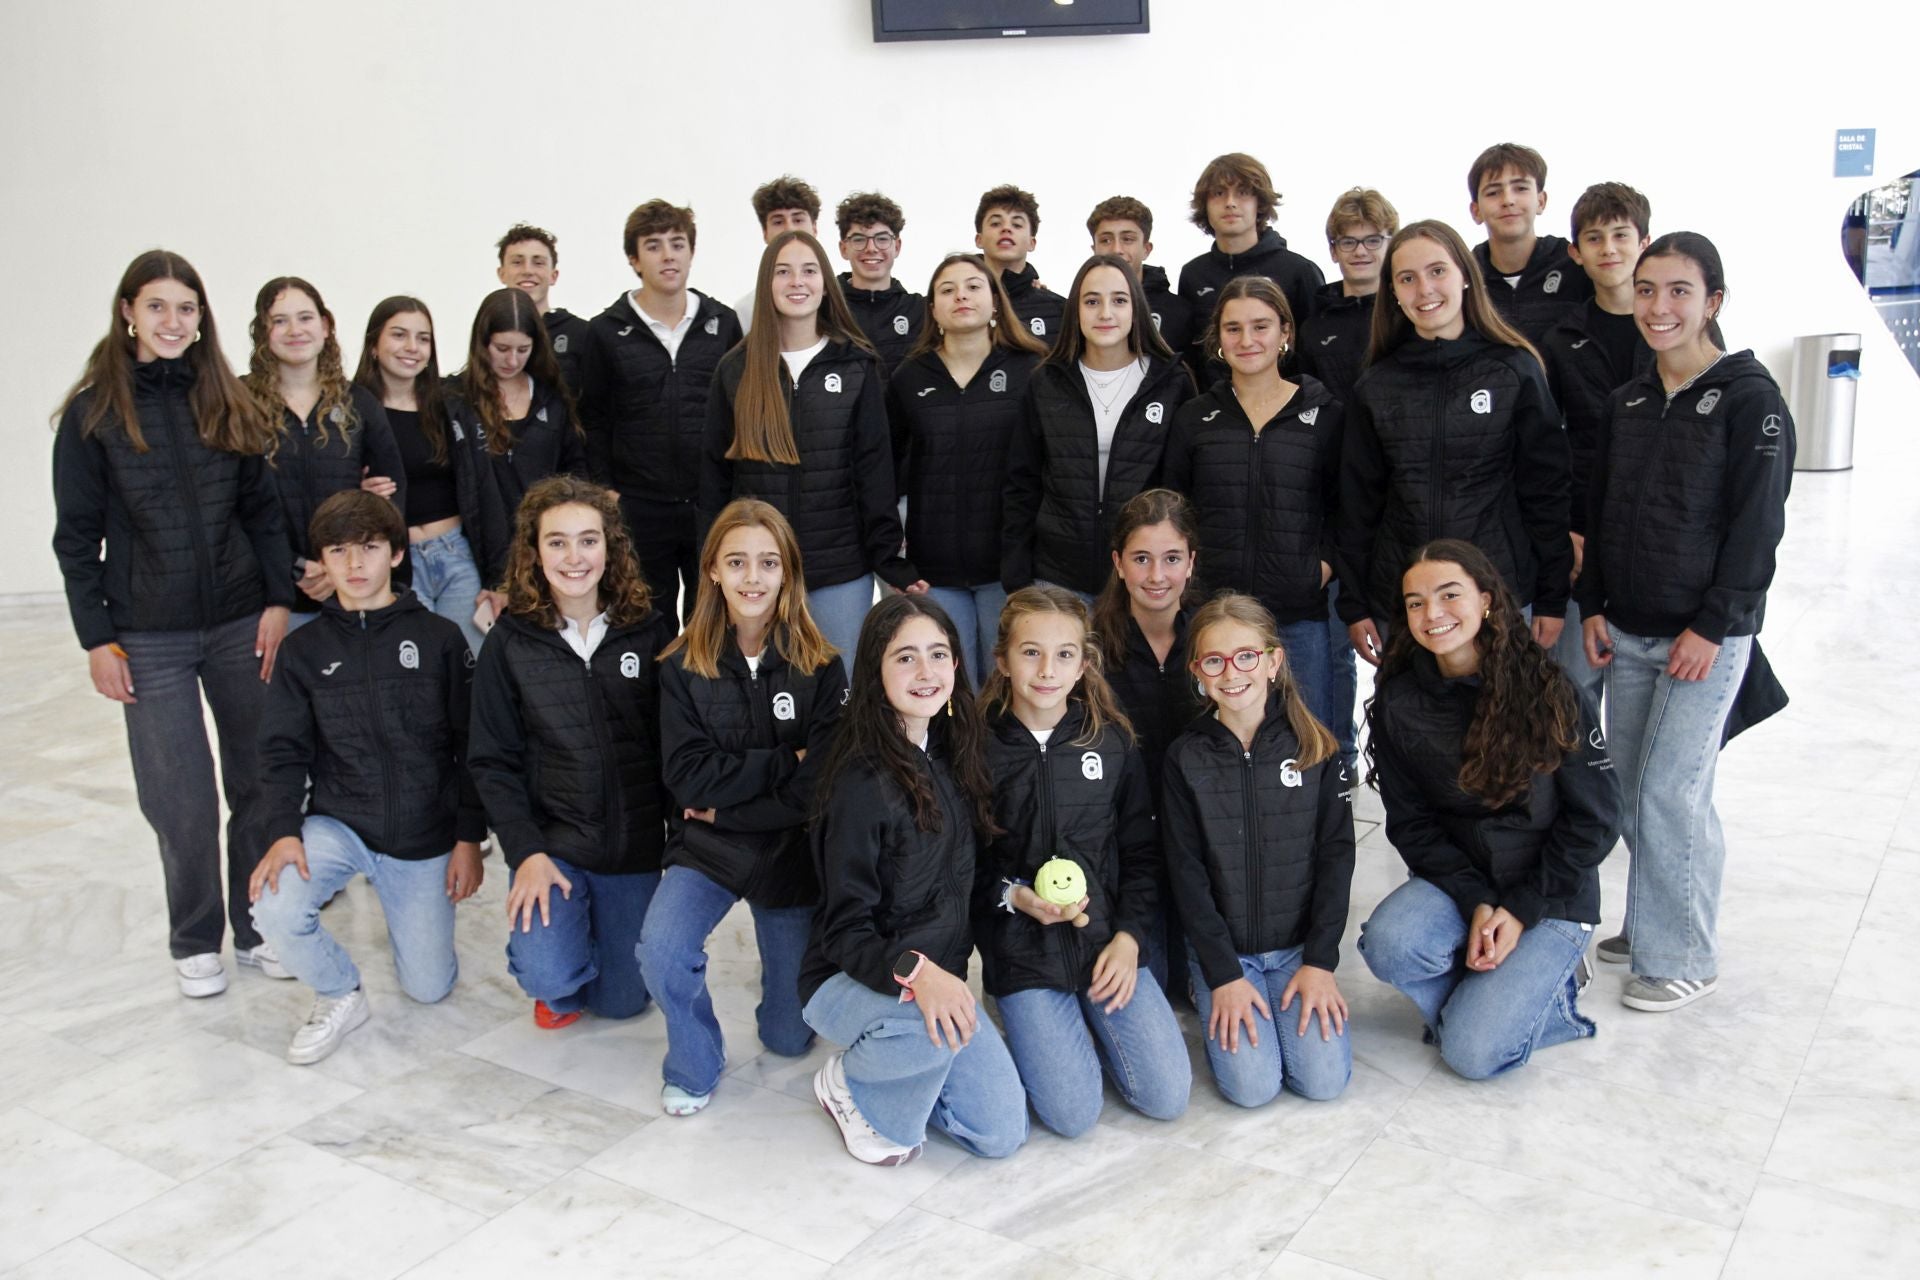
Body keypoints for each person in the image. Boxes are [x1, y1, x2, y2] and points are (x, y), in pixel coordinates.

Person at [51, 249, 295, 997]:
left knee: (258, 782)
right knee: (180, 797)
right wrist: (97, 640)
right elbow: (76, 538)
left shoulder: (231, 402)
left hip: (238, 625)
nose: (171, 321)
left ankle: (257, 927)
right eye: (156, 306)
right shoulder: (94, 413)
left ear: (202, 318)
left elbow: (262, 514)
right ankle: (195, 937)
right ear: (128, 312)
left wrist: (278, 602)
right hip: (147, 637)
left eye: (185, 308)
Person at [1578, 232, 1794, 1012]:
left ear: (1713, 301)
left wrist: (1714, 624)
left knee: (1670, 791)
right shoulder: (1629, 400)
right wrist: (1595, 604)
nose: (1659, 307)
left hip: (1702, 639)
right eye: (1646, 290)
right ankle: (1654, 920)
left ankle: (1684, 956)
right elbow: (1600, 514)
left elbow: (1755, 526)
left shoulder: (1749, 399)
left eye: (1677, 290)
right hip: (1627, 629)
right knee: (1637, 788)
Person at [1359, 540, 1618, 1078]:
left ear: (1487, 601)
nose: (1432, 614)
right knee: (1389, 946)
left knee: (1471, 1055)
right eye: (1415, 602)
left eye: (1449, 594)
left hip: (1551, 893)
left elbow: (1595, 818)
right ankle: (1499, 991)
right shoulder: (1399, 701)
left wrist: (1521, 910)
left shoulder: (1552, 689)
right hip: (1462, 882)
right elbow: (1412, 825)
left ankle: (1554, 990)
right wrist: (1477, 901)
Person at [249, 490, 485, 1063]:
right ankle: (338, 992)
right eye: (339, 552)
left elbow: (473, 747)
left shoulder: (439, 641)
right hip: (340, 823)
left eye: (370, 548)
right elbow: (281, 752)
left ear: (397, 554)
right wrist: (284, 832)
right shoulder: (303, 652)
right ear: (320, 565)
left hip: (423, 834)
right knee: (274, 908)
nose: (355, 566)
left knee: (429, 989)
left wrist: (468, 839)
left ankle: (408, 911)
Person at [799, 594, 1027, 1165]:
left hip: (931, 981)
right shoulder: (861, 782)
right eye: (905, 658)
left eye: (938, 654)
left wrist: (1015, 895)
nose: (926, 673)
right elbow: (845, 932)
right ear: (875, 671)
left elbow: (969, 879)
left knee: (1002, 1133)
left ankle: (913, 1064)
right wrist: (921, 977)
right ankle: (844, 1083)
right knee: (898, 1132)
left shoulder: (955, 756)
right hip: (847, 977)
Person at [640, 499, 847, 1116]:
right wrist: (788, 760)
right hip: (708, 850)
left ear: (788, 573)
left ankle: (780, 987)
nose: (752, 578)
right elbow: (686, 777)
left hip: (789, 854)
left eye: (767, 563)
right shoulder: (680, 666)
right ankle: (693, 1059)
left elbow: (822, 787)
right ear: (712, 572)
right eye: (737, 563)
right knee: (660, 949)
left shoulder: (824, 666)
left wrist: (726, 807)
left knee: (788, 1038)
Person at [978, 586, 1189, 1136]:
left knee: (1167, 1096)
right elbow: (962, 866)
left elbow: (1142, 855)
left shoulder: (1111, 742)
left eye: (1065, 654)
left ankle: (1082, 1018)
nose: (1048, 669)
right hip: (1021, 948)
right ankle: (1022, 1012)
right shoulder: (973, 749)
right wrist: (1014, 895)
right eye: (1030, 652)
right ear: (1002, 660)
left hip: (1104, 942)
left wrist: (1129, 939)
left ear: (1083, 664)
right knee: (1072, 1116)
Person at [467, 476, 673, 1027]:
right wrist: (526, 853)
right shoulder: (509, 643)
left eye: (588, 540)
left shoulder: (651, 630)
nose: (574, 556)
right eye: (557, 542)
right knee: (552, 978)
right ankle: (556, 952)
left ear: (611, 547)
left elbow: (675, 742)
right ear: (534, 552)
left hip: (634, 847)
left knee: (625, 1003)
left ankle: (600, 938)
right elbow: (491, 761)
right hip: (554, 846)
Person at [1335, 220, 1572, 669]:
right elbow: (1358, 505)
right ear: (1394, 293)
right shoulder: (1376, 385)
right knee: (1414, 731)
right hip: (1406, 602)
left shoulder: (1515, 370)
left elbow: (1547, 491)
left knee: (1503, 733)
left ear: (1465, 274)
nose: (1424, 288)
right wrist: (1354, 603)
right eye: (1407, 278)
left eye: (1437, 271)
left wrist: (1553, 597)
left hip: (1499, 592)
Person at [1161, 593, 1354, 1105]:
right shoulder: (1184, 758)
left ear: (1273, 661)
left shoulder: (1316, 748)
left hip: (1297, 951)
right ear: (1197, 670)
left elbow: (1337, 859)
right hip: (1226, 956)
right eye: (1214, 660)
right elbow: (1186, 873)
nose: (1232, 673)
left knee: (1323, 1082)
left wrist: (1320, 962)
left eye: (1246, 655)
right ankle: (1218, 998)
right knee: (1252, 1088)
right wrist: (1222, 975)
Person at [701, 230, 918, 664]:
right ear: (767, 284)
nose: (796, 282)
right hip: (758, 576)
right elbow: (715, 477)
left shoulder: (857, 364)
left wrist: (888, 559)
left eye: (808, 270)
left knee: (842, 695)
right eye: (783, 272)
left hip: (840, 574)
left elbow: (874, 472)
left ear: (825, 282)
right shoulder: (736, 368)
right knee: (765, 698)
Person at [1164, 275, 1344, 738]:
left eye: (1261, 326)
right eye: (1233, 328)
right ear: (1217, 338)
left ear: (1285, 332)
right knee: (1214, 744)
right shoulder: (1196, 417)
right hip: (1214, 614)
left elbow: (1347, 506)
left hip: (1298, 612)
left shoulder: (1324, 414)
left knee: (1310, 743)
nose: (1247, 340)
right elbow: (1175, 511)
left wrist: (1320, 567)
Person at [579, 199, 743, 625]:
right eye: (654, 246)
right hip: (638, 505)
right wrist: (608, 493)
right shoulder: (604, 331)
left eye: (678, 243)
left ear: (691, 251)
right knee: (645, 620)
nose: (668, 255)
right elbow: (592, 418)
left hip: (709, 502)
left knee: (712, 619)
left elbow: (739, 412)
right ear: (634, 259)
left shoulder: (722, 323)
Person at [887, 252, 1046, 677]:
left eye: (973, 286)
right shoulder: (909, 378)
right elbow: (881, 471)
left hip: (1010, 572)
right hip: (934, 575)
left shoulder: (1032, 370)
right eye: (947, 289)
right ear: (933, 308)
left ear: (996, 302)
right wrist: (892, 558)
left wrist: (1028, 558)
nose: (961, 296)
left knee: (1007, 689)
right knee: (951, 690)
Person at [1002, 254, 1194, 601]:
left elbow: (1184, 490)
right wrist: (1017, 571)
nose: (1105, 313)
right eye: (1092, 301)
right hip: (1057, 575)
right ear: (1075, 310)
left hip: (1145, 580)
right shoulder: (1046, 382)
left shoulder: (1172, 382)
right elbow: (1022, 482)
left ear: (1136, 308)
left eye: (1118, 300)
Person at [1540, 182, 1654, 696]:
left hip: (1657, 528)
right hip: (1584, 529)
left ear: (1644, 242)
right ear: (1575, 253)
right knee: (1574, 686)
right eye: (1594, 238)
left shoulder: (1676, 326)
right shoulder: (1563, 340)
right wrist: (1566, 527)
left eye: (1620, 235)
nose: (1609, 249)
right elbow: (1547, 443)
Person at [243, 276, 405, 631]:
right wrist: (293, 566)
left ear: (325, 325)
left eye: (305, 318)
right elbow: (230, 504)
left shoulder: (358, 403)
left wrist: (342, 567)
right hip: (267, 601)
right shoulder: (239, 404)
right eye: (279, 320)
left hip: (349, 596)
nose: (294, 330)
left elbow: (392, 497)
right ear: (263, 331)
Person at [1092, 488, 1206, 992]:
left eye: (1171, 558)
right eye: (1141, 558)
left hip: (1197, 837)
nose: (1157, 576)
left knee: (1188, 979)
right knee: (1151, 980)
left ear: (1191, 563)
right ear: (1118, 563)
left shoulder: (1214, 638)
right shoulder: (1090, 647)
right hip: (1127, 839)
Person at [351, 297, 487, 654]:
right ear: (374, 345)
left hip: (456, 554)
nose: (412, 347)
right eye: (399, 335)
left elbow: (477, 481)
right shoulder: (352, 409)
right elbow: (329, 481)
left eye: (423, 338)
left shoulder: (450, 402)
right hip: (397, 561)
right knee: (415, 668)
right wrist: (357, 489)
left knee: (469, 666)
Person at [447, 286, 590, 622]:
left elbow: (576, 474)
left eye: (523, 350)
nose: (512, 360)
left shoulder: (552, 399)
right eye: (502, 349)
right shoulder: (454, 400)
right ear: (482, 343)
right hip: (472, 563)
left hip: (547, 559)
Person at [1175, 153, 1324, 370]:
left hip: (1287, 397)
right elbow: (1193, 354)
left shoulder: (1299, 271)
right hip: (1214, 401)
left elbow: (1316, 350)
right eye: (1218, 193)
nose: (1230, 203)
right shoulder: (1193, 274)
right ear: (1205, 205)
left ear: (1260, 203)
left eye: (1243, 193)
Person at [1465, 143, 1595, 345]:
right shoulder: (1464, 277)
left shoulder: (1575, 265)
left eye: (1520, 188)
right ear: (1476, 211)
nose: (1508, 200)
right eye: (1493, 192)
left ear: (1541, 201)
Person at [1298, 187, 1401, 406]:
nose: (1360, 251)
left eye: (1373, 240)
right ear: (1333, 252)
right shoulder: (1313, 328)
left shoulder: (1408, 315)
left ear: (1391, 246)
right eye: (1348, 242)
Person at [834, 191, 925, 380]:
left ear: (897, 246)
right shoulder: (827, 309)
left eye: (882, 238)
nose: (871, 248)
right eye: (859, 239)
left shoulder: (919, 311)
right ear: (844, 249)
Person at [1088, 194, 1194, 356]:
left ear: (1146, 249)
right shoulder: (1079, 309)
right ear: (1094, 250)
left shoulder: (1178, 312)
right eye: (1106, 240)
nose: (1116, 249)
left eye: (1128, 239)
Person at [496, 223, 590, 395]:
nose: (527, 270)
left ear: (553, 276)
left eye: (538, 263)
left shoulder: (581, 333)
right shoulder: (488, 331)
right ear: (501, 274)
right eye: (517, 262)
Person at [974, 183, 1065, 343]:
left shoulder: (1059, 309)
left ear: (1032, 242)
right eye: (995, 223)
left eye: (1017, 224)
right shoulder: (955, 302)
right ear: (979, 239)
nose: (1006, 229)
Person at [736, 175, 822, 332]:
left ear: (814, 228)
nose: (789, 229)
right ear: (765, 233)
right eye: (778, 222)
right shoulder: (746, 311)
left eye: (798, 220)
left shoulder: (840, 301)